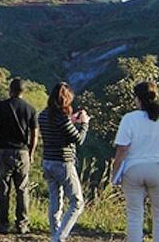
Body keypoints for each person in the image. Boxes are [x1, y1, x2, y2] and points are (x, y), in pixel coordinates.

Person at [113, 81, 159, 242]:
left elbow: (122, 149)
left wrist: (115, 173)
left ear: (138, 98)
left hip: (134, 168)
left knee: (134, 216)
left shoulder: (129, 118)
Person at [38, 82, 88, 241]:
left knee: (55, 200)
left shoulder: (43, 115)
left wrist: (71, 121)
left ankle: (56, 232)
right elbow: (78, 139)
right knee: (77, 202)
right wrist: (84, 124)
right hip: (63, 162)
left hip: (48, 161)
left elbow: (58, 131)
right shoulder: (62, 118)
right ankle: (60, 237)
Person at [0, 78, 38, 234]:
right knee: (22, 189)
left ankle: (2, 224)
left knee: (3, 188)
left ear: (10, 90)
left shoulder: (1, 106)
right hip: (23, 152)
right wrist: (31, 153)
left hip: (4, 151)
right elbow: (34, 135)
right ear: (24, 92)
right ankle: (22, 224)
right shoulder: (30, 109)